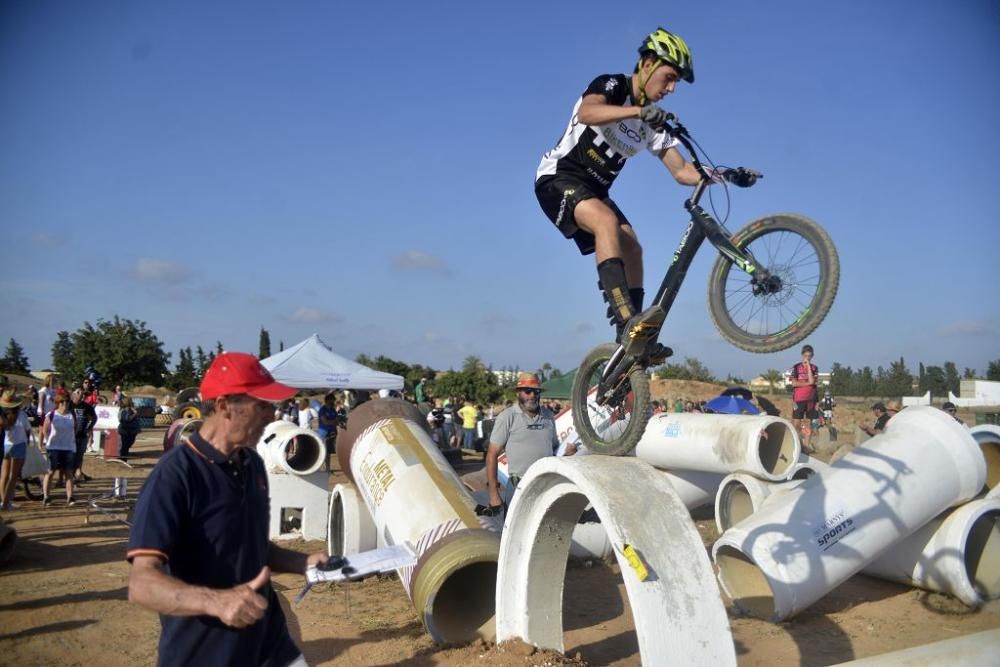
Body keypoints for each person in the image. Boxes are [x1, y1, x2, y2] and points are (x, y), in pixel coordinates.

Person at [535, 27, 756, 358]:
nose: (671, 88)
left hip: (594, 190)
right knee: (606, 222)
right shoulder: (612, 85)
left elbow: (682, 171)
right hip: (558, 178)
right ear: (649, 63)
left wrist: (725, 175)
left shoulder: (654, 123)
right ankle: (626, 319)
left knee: (633, 248)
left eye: (675, 83)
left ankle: (631, 338)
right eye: (668, 78)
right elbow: (588, 112)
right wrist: (638, 111)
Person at [127, 352, 326, 666]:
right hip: (206, 653)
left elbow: (252, 546)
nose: (271, 415)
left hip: (270, 646)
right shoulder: (174, 477)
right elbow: (141, 585)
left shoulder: (253, 464)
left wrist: (304, 561)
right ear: (223, 407)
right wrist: (216, 602)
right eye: (260, 405)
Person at [486, 373, 563, 511]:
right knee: (515, 532)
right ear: (518, 393)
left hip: (547, 485)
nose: (532, 395)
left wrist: (567, 453)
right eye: (528, 391)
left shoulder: (548, 416)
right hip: (519, 486)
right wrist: (493, 494)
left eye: (536, 391)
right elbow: (492, 454)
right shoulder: (507, 417)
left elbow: (555, 448)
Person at [40, 390, 77, 505]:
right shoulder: (52, 414)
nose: (65, 403)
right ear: (58, 403)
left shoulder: (72, 415)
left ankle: (70, 497)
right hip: (54, 447)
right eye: (62, 401)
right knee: (50, 472)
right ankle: (46, 497)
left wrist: (71, 441)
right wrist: (48, 441)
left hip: (68, 448)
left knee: (69, 473)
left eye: (66, 401)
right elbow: (45, 430)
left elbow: (74, 430)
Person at [1, 389, 33, 510]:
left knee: (4, 475)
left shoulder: (3, 415)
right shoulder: (21, 415)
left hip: (6, 445)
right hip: (19, 444)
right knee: (13, 477)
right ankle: (6, 503)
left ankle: (3, 500)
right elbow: (27, 430)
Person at [790, 344, 819, 453]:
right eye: (806, 356)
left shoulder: (814, 368)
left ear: (812, 356)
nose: (807, 358)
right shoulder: (796, 367)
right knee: (796, 423)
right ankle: (796, 443)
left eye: (810, 356)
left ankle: (806, 447)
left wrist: (808, 368)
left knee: (809, 423)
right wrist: (807, 383)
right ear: (802, 355)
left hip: (811, 399)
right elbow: (794, 383)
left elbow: (813, 381)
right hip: (798, 399)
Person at [69, 388, 97, 483]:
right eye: (78, 392)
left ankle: (78, 474)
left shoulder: (87, 406)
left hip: (82, 435)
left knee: (79, 456)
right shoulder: (68, 405)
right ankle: (67, 477)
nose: (80, 394)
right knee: (69, 457)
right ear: (73, 394)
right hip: (70, 436)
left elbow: (94, 418)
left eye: (81, 393)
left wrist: (89, 428)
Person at [117, 395, 142, 462]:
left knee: (128, 444)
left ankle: (123, 458)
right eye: (131, 401)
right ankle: (123, 459)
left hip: (132, 430)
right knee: (125, 445)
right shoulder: (124, 410)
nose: (132, 402)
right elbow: (127, 419)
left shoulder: (131, 409)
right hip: (125, 430)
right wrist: (135, 414)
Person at [318, 392, 339, 469]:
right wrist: (334, 421)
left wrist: (334, 421)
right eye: (332, 400)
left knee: (330, 451)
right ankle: (322, 467)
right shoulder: (322, 410)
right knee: (324, 451)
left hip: (333, 432)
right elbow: (325, 422)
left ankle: (327, 468)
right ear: (328, 400)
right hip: (324, 433)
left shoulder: (333, 409)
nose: (333, 402)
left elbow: (338, 420)